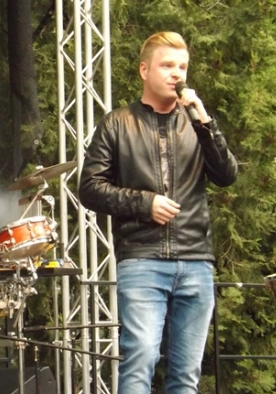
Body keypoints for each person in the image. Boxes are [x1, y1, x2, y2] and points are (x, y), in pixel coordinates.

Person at [78, 31, 238, 393]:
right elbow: (90, 188)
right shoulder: (117, 123)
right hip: (142, 259)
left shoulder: (197, 125)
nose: (176, 74)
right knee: (140, 360)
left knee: (186, 374)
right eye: (167, 65)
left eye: (182, 67)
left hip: (196, 261)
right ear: (144, 70)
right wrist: (144, 203)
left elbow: (226, 175)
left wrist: (205, 122)